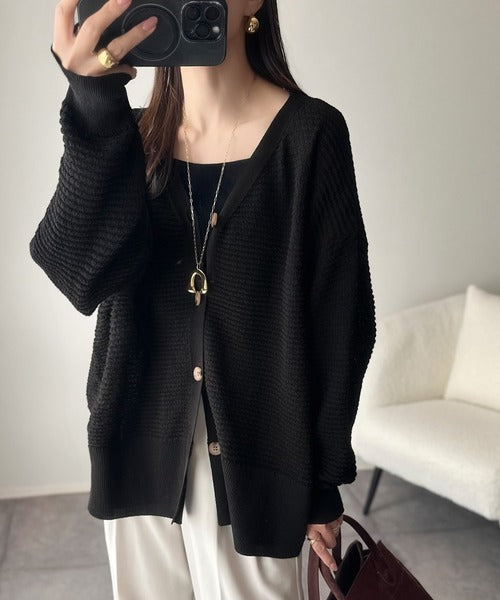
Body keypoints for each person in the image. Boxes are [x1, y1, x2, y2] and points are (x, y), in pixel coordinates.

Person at [29, 0, 377, 597]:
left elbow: (341, 324)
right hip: (136, 447)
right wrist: (91, 102)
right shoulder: (125, 135)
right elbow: (78, 274)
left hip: (262, 464)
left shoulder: (310, 134)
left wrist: (324, 481)